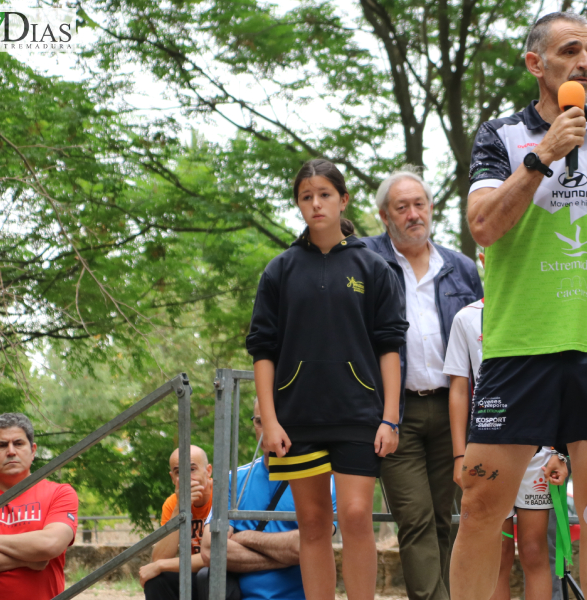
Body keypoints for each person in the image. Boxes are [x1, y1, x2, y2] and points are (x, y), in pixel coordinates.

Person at [452, 11, 587, 600]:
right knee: (479, 505)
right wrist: (543, 155)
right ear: (536, 63)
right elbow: (483, 228)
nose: (585, 63)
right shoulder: (500, 138)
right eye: (571, 50)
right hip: (519, 345)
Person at [246, 158, 408, 600]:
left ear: (343, 200)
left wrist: (390, 419)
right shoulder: (280, 270)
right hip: (297, 419)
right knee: (313, 524)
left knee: (356, 516)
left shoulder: (374, 267)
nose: (316, 204)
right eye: (306, 196)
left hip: (361, 416)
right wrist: (272, 420)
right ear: (298, 203)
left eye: (324, 195)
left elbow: (390, 346)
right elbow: (262, 349)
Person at [362, 166, 483, 600]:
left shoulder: (461, 268)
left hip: (453, 411)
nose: (414, 214)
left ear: (431, 208)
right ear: (384, 216)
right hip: (395, 413)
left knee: (442, 520)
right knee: (414, 519)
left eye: (420, 204)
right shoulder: (365, 261)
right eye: (402, 207)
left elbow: (480, 337)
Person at [443, 282, 569, 600]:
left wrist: (558, 450)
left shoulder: (547, 310)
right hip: (489, 447)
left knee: (533, 550)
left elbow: (558, 384)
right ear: (487, 258)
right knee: (495, 552)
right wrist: (460, 457)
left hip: (538, 450)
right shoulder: (467, 317)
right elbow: (459, 389)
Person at [201, 399, 338, 600]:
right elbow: (210, 550)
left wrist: (245, 537)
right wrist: (290, 554)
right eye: (259, 421)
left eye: (277, 421)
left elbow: (308, 543)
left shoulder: (323, 482)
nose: (268, 430)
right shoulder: (234, 480)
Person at [0, 413, 78, 600]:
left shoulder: (60, 493)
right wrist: (29, 560)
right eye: (1, 445)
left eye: (18, 443)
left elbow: (49, 544)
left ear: (33, 450)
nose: (11, 451)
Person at [141, 445, 231, 600]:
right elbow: (160, 557)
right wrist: (179, 510)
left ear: (208, 471)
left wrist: (161, 566)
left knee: (205, 576)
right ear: (172, 478)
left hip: (225, 573)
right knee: (156, 581)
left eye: (192, 469)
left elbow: (217, 555)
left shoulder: (224, 495)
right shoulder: (172, 503)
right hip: (191, 572)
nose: (186, 478)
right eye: (178, 472)